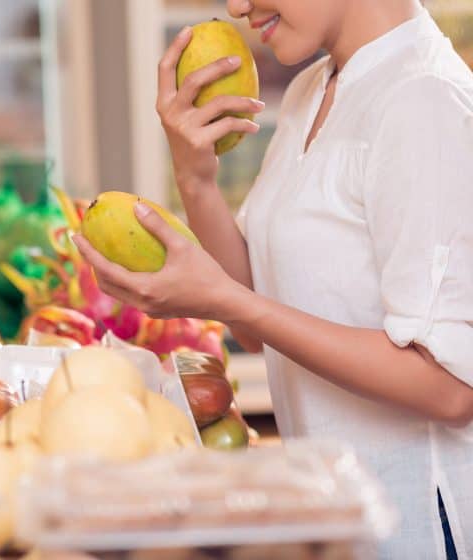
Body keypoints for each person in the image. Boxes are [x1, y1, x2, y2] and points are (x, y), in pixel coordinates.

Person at [72, 1, 473, 558]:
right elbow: (262, 321)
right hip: (338, 518)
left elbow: (452, 386)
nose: (236, 6)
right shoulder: (316, 88)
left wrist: (223, 298)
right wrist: (195, 173)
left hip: (417, 529)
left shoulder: (424, 101)